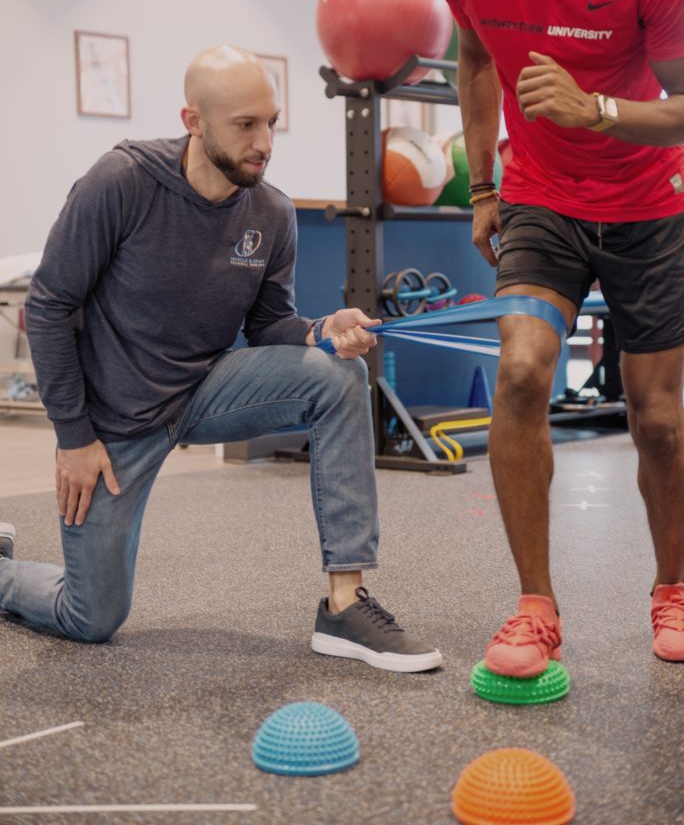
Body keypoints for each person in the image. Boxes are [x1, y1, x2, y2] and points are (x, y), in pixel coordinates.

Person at [0, 44, 442, 673]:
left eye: (271, 122)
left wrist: (321, 330)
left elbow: (268, 326)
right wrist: (73, 437)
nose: (264, 142)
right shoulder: (122, 182)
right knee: (90, 616)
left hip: (204, 391)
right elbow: (47, 305)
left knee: (340, 375)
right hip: (116, 422)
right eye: (245, 125)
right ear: (193, 121)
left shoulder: (272, 212)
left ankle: (345, 603)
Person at [433, 0, 684, 675]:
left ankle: (674, 587)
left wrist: (597, 110)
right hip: (541, 199)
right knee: (521, 371)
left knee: (657, 418)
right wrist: (484, 186)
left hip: (649, 202)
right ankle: (534, 608)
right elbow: (473, 60)